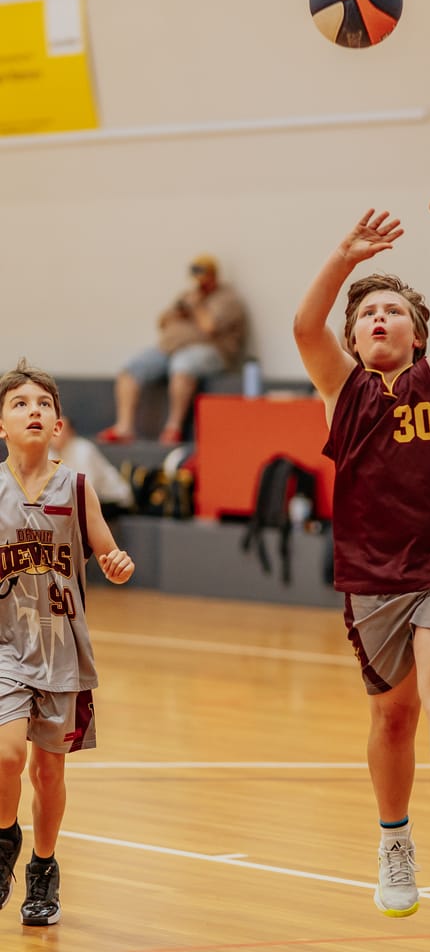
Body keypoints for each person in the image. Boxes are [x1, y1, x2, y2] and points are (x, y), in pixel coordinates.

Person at [293, 153, 430, 919]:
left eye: (393, 312)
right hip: (373, 576)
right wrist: (347, 257)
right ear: (354, 336)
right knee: (393, 715)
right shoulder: (341, 391)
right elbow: (304, 324)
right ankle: (394, 841)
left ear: (417, 333)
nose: (379, 318)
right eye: (367, 313)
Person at [0, 359, 135, 926]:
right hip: (5, 644)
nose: (34, 410)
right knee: (6, 755)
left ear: (57, 423)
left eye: (43, 404)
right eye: (20, 403)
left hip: (61, 651)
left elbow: (106, 554)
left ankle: (43, 866)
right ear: (0, 422)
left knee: (48, 773)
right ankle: (4, 841)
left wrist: (118, 564)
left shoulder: (77, 488)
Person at [97, 254, 247, 445]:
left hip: (209, 352)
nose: (198, 278)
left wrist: (197, 306)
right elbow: (163, 322)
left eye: (203, 272)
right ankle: (124, 427)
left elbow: (209, 326)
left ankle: (173, 428)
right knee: (130, 369)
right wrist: (179, 310)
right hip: (170, 348)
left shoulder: (227, 299)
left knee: (182, 365)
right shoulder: (187, 295)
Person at [50, 415, 133, 519]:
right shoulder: (50, 454)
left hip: (113, 500)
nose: (57, 435)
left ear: (71, 432)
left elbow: (88, 489)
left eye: (61, 430)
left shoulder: (83, 450)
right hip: (80, 501)